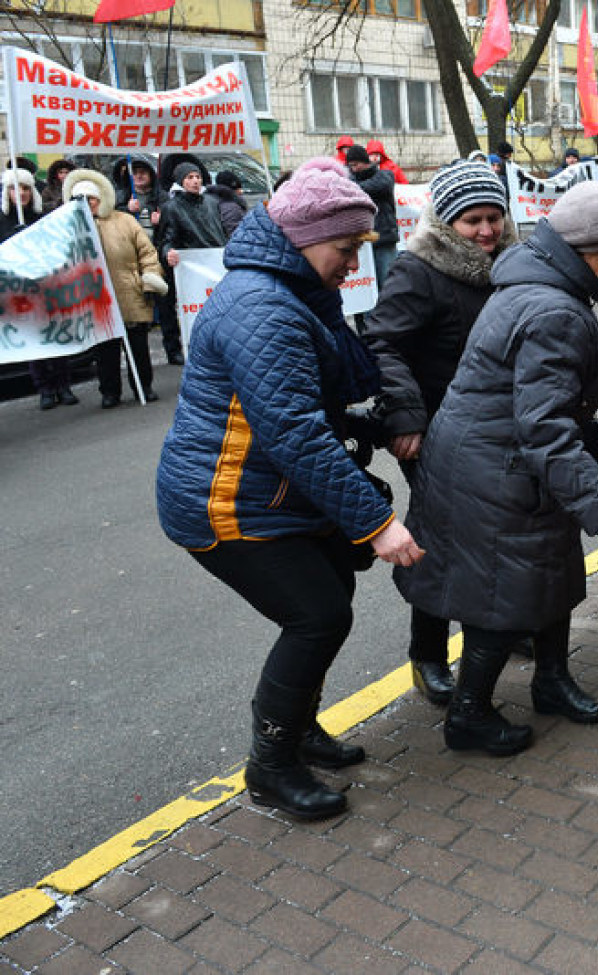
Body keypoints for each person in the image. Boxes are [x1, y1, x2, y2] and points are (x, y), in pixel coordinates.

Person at [156, 158, 424, 821]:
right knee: (317, 615)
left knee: (328, 599)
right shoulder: (262, 306)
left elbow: (319, 399)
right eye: (347, 247)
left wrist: (375, 420)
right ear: (305, 237)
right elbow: (295, 432)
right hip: (223, 504)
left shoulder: (296, 291)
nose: (354, 262)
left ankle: (299, 729)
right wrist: (375, 522)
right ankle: (270, 764)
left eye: (362, 247)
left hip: (272, 492)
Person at [394, 179, 598, 757]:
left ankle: (551, 682)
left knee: (547, 573)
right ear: (588, 248)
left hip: (499, 461)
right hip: (496, 469)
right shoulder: (552, 308)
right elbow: (543, 427)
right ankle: (469, 714)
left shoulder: (535, 282)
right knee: (505, 592)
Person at [363, 161, 517, 706]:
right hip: (432, 431)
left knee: (499, 529)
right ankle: (427, 653)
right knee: (442, 534)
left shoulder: (510, 265)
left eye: (494, 217)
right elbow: (382, 343)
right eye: (472, 220)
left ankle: (505, 626)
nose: (486, 231)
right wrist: (405, 416)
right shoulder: (418, 269)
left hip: (498, 428)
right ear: (447, 223)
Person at [63, 168, 168, 408]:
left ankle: (144, 385)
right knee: (105, 351)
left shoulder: (124, 221)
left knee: (138, 346)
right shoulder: (71, 229)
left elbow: (147, 252)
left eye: (90, 198)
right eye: (80, 200)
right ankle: (110, 392)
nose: (87, 204)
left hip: (130, 294)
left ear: (99, 198)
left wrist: (150, 277)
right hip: (97, 299)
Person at [2, 168, 78, 411]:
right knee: (33, 340)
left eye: (25, 188)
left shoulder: (42, 216)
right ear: (8, 192)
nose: (21, 193)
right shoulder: (2, 220)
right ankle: (45, 388)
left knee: (56, 335)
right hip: (18, 290)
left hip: (46, 287)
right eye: (15, 188)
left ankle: (63, 385)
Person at [155, 162, 228, 365]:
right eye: (189, 178)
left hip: (214, 265)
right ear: (180, 181)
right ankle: (180, 348)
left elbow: (221, 233)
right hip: (191, 270)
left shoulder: (212, 203)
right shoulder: (172, 208)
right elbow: (166, 238)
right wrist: (167, 253)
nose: (195, 181)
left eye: (197, 177)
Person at [344, 145, 399, 287]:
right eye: (350, 166)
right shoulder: (351, 180)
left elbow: (373, 187)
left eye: (356, 164)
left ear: (364, 161)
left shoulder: (384, 176)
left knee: (388, 284)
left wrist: (349, 187)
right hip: (363, 242)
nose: (354, 169)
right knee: (368, 288)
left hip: (384, 239)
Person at [113, 157, 164, 239]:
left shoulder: (162, 197)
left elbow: (171, 227)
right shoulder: (120, 197)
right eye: (135, 173)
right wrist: (128, 209)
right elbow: (113, 223)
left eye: (143, 173)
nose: (139, 176)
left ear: (150, 175)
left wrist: (161, 221)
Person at [209, 170, 249, 237]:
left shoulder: (213, 202)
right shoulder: (232, 208)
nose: (241, 191)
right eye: (237, 189)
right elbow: (236, 235)